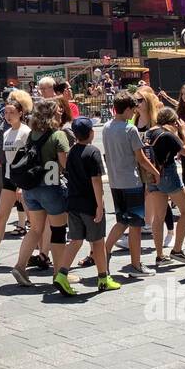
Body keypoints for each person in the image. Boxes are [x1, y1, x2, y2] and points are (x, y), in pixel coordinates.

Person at [10, 98, 72, 288]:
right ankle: (59, 274)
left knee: (35, 229)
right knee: (58, 231)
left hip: (31, 188)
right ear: (52, 114)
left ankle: (20, 266)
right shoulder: (58, 135)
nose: (61, 112)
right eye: (58, 110)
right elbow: (65, 163)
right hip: (51, 187)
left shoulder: (33, 134)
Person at [58, 116, 121, 293]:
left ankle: (61, 274)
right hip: (89, 204)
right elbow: (96, 181)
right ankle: (103, 278)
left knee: (75, 240)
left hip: (74, 203)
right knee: (98, 241)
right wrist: (99, 205)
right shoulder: (93, 152)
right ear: (91, 133)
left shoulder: (71, 153)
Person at [102, 92, 159, 274]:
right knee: (135, 225)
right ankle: (136, 264)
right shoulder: (129, 129)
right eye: (132, 109)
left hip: (115, 182)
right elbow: (141, 159)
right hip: (131, 182)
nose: (134, 112)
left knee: (122, 221)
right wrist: (156, 172)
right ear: (126, 109)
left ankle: (103, 251)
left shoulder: (106, 127)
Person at [0, 89, 33, 267]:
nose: (8, 115)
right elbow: (6, 160)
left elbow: (28, 159)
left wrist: (22, 185)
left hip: (23, 181)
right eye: (6, 112)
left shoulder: (26, 132)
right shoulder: (6, 132)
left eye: (12, 112)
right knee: (1, 216)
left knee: (34, 220)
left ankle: (42, 253)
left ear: (21, 113)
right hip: (9, 179)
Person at [144, 107, 185, 266]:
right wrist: (184, 132)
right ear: (173, 122)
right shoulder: (168, 135)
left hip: (151, 175)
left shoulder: (149, 132)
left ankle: (160, 255)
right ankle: (177, 250)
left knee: (158, 217)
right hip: (167, 174)